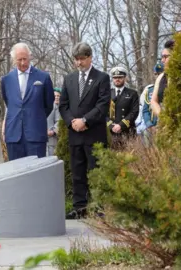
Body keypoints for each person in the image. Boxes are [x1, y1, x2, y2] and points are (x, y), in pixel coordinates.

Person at [58, 42, 111, 219]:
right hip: (75, 134)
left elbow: (102, 105)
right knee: (78, 172)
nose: (79, 63)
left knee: (95, 171)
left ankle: (98, 207)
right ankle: (79, 207)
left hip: (94, 133)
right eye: (76, 59)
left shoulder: (101, 78)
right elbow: (63, 105)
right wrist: (71, 121)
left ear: (90, 57)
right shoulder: (69, 79)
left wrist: (85, 120)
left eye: (82, 59)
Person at [1, 42, 54, 160]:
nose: (23, 63)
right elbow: (9, 103)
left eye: (25, 59)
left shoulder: (43, 77)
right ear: (14, 60)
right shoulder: (6, 80)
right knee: (16, 173)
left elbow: (48, 104)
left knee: (36, 174)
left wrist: (35, 116)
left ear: (30, 57)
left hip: (35, 135)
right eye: (19, 60)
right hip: (14, 136)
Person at [107, 66, 139, 150]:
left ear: (125, 78)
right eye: (115, 77)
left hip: (128, 131)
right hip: (111, 132)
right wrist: (111, 125)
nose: (117, 79)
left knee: (130, 159)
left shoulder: (132, 93)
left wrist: (121, 125)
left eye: (120, 77)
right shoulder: (107, 94)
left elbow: (134, 112)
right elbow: (102, 112)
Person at [150, 40, 174, 118]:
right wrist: (163, 117)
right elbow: (153, 101)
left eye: (165, 57)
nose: (162, 60)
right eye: (162, 57)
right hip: (165, 122)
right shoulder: (161, 77)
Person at [46, 87, 62, 156]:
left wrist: (52, 132)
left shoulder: (58, 108)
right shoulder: (47, 105)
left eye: (58, 96)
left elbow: (59, 121)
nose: (56, 97)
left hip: (52, 139)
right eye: (55, 96)